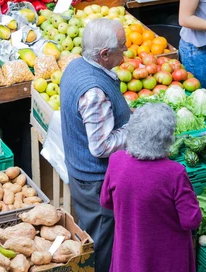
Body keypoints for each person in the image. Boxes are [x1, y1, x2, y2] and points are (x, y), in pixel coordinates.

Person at [59, 18, 130, 272]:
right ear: (104, 54)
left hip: (82, 174)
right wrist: (134, 131)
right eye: (122, 47)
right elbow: (100, 146)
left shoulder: (75, 66)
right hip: (95, 182)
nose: (126, 51)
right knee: (101, 244)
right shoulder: (94, 91)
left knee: (90, 231)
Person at [100, 103, 202, 272]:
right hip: (166, 259)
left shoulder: (117, 161)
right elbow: (191, 220)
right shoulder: (174, 173)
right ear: (168, 139)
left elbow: (106, 202)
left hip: (129, 255)